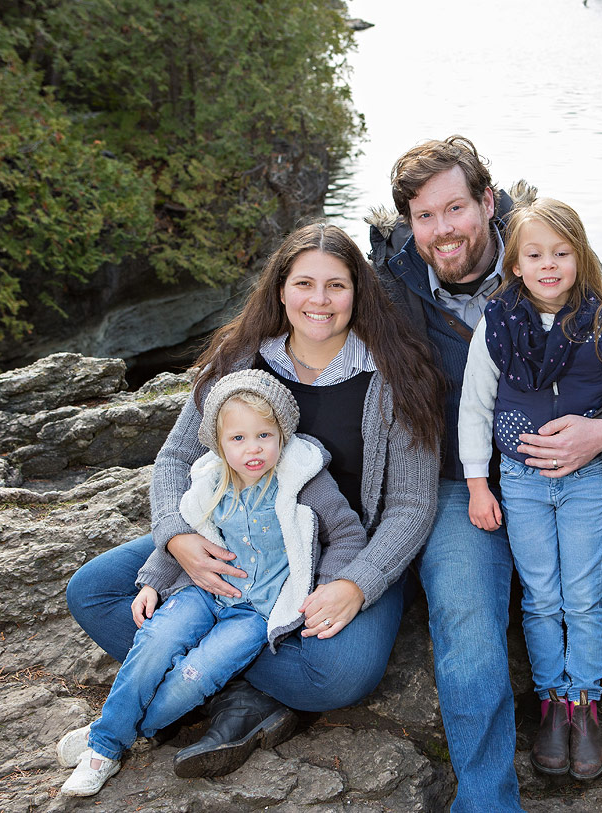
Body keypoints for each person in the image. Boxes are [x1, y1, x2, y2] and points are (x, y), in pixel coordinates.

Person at [368, 136, 602, 813]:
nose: (443, 230)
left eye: (455, 208)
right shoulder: (392, 287)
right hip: (472, 485)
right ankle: (488, 802)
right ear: (408, 222)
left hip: (589, 470)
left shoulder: (552, 247)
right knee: (464, 610)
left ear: (487, 202)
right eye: (424, 216)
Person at [65, 223, 443, 779]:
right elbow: (173, 461)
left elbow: (411, 507)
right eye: (304, 284)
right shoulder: (240, 360)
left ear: (358, 293)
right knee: (93, 592)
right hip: (235, 538)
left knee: (341, 675)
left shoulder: (397, 373)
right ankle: (234, 688)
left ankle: (205, 683)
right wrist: (178, 537)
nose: (319, 300)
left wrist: (356, 583)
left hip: (340, 552)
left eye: (336, 286)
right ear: (280, 290)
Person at [457, 197, 602, 781]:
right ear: (515, 265)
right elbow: (475, 408)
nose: (549, 265)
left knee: (582, 596)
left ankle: (584, 703)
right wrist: (478, 485)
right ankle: (551, 703)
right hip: (521, 482)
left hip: (586, 481)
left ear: (581, 260)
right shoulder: (497, 323)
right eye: (534, 254)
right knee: (539, 596)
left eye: (562, 253)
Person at [58, 370, 369, 796]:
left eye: (264, 435)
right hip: (203, 593)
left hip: (254, 613)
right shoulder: (211, 478)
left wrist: (329, 585)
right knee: (153, 644)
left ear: (284, 433)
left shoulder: (304, 482)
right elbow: (184, 532)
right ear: (219, 443)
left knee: (195, 674)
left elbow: (348, 533)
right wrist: (152, 581)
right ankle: (107, 744)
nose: (253, 449)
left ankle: (108, 737)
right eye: (238, 439)